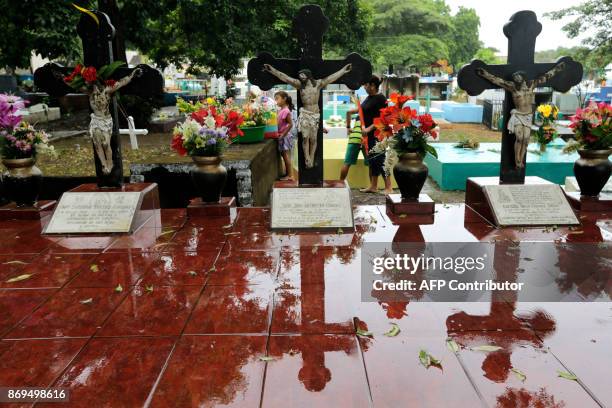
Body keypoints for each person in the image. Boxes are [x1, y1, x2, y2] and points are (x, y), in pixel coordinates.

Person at [359, 75, 392, 194]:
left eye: (366, 84)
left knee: (381, 160)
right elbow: (363, 114)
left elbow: (382, 118)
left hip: (378, 134)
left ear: (373, 86)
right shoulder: (369, 97)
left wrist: (368, 129)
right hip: (368, 135)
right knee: (373, 160)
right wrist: (363, 127)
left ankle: (389, 187)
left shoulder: (380, 99)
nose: (364, 87)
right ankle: (373, 186)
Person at [339, 110, 368, 181]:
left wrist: (348, 127)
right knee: (371, 164)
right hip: (366, 138)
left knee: (347, 163)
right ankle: (372, 186)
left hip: (354, 137)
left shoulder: (360, 112)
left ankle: (341, 182)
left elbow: (348, 112)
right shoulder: (371, 113)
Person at [274, 90, 295, 181]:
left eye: (277, 99)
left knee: (286, 155)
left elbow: (290, 124)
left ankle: (290, 175)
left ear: (284, 99)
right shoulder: (281, 110)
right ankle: (288, 174)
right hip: (282, 136)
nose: (276, 101)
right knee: (284, 155)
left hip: (285, 136)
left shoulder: (286, 111)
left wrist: (283, 134)